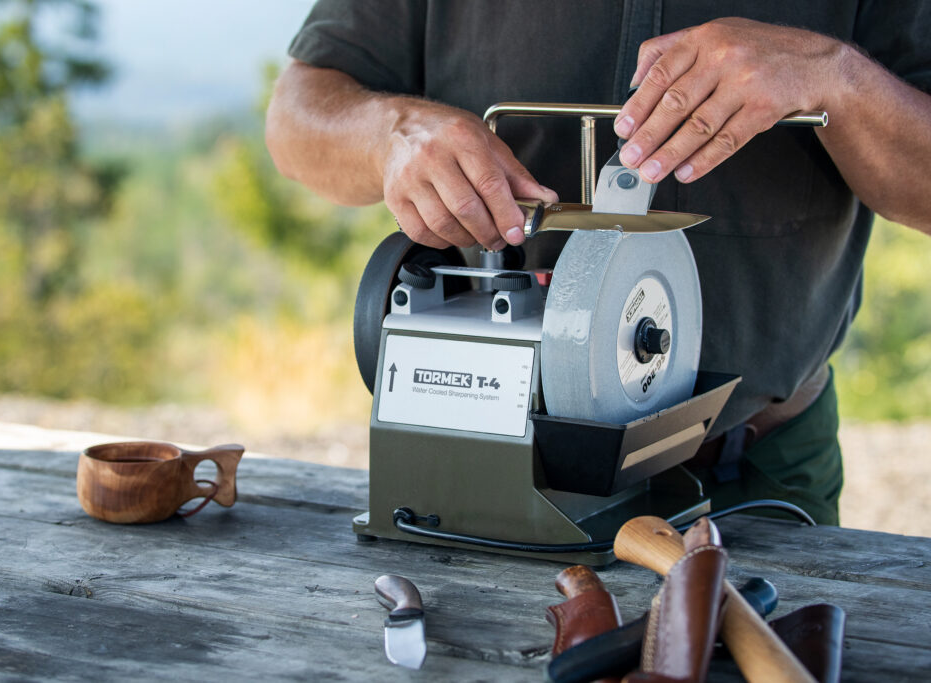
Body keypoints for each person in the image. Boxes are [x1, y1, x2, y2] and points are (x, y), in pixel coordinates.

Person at [265, 1, 931, 525]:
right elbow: (295, 118)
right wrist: (388, 134)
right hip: (489, 458)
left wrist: (833, 75)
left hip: (756, 466)